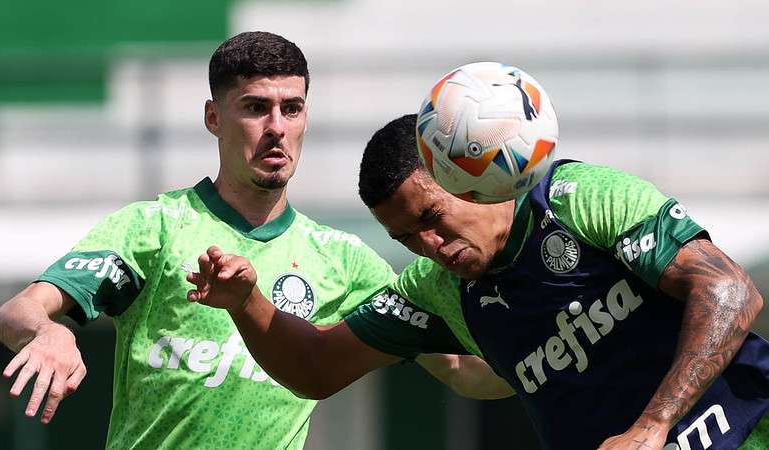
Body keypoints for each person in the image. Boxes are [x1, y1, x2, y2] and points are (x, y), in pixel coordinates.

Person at [0, 35, 507, 450]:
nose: (276, 128)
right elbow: (17, 310)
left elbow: (462, 370)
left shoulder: (346, 262)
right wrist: (45, 332)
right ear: (214, 118)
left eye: (292, 108)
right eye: (256, 107)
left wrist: (548, 351)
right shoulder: (157, 227)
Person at [187, 114, 769, 450]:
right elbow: (315, 366)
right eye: (408, 240)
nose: (430, 248)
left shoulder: (576, 198)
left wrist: (652, 428)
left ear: (468, 179)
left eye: (431, 220)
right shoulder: (436, 291)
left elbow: (729, 292)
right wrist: (246, 304)